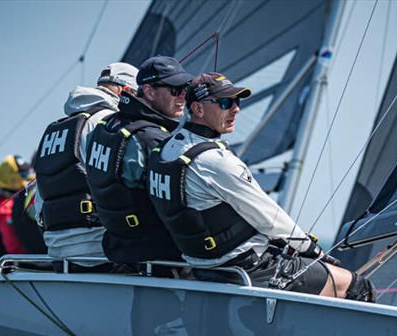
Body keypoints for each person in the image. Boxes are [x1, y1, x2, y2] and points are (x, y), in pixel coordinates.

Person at [147, 72, 374, 301]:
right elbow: (270, 218)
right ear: (198, 109)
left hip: (202, 265)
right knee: (356, 286)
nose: (235, 109)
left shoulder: (166, 151)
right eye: (225, 103)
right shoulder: (216, 162)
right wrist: (314, 251)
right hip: (250, 268)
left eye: (238, 102)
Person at [85, 56, 192, 266]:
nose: (182, 98)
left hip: (118, 249)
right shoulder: (151, 138)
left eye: (185, 90)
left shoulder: (106, 125)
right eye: (175, 90)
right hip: (157, 258)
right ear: (150, 91)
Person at [33, 62, 138, 268]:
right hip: (99, 251)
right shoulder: (109, 123)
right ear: (126, 91)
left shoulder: (56, 128)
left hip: (57, 251)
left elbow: (39, 202)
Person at [0, 155, 46, 254]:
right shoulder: (3, 203)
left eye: (29, 172)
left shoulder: (19, 195)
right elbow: (11, 243)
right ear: (9, 177)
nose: (29, 177)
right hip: (18, 259)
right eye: (23, 174)